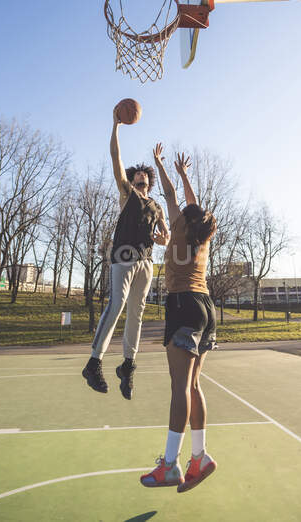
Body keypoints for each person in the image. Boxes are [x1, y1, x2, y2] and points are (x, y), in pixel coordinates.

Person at [140, 143, 217, 492]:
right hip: (205, 307)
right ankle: (199, 457)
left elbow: (172, 195)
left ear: (187, 216)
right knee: (195, 385)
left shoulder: (181, 225)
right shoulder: (202, 235)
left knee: (180, 387)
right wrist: (186, 175)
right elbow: (192, 203)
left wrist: (163, 167)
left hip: (183, 305)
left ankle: (170, 464)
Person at [82, 110, 169, 400]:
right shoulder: (127, 194)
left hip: (146, 262)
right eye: (137, 176)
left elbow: (166, 234)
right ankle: (94, 362)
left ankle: (128, 366)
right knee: (117, 304)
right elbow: (115, 159)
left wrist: (163, 236)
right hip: (123, 257)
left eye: (144, 177)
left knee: (137, 313)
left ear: (149, 182)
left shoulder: (156, 205)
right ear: (132, 180)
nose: (141, 178)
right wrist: (115, 127)